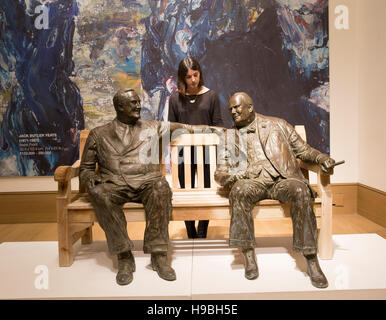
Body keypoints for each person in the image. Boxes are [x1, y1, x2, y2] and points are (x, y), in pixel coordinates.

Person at [79, 88, 211, 286]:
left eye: (138, 101)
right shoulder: (99, 134)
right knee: (99, 193)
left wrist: (219, 131)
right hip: (114, 184)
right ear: (119, 107)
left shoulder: (152, 127)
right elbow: (86, 169)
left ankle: (158, 255)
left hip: (147, 181)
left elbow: (186, 127)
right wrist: (89, 178)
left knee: (161, 188)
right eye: (133, 103)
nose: (138, 105)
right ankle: (123, 255)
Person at [214, 92, 336, 289]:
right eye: (231, 110)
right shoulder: (229, 136)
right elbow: (220, 171)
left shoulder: (277, 124)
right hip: (251, 181)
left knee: (300, 191)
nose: (233, 112)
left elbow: (304, 150)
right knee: (239, 192)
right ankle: (248, 254)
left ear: (250, 107)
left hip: (282, 179)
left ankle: (311, 258)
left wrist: (322, 158)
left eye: (237, 107)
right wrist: (228, 178)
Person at [168, 57, 224, 239]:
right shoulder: (175, 99)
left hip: (207, 153)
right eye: (188, 77)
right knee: (185, 190)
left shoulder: (212, 96)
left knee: (207, 189)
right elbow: (171, 128)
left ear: (200, 74)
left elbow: (218, 126)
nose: (193, 80)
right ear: (182, 78)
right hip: (183, 154)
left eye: (195, 75)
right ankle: (190, 230)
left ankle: (202, 230)